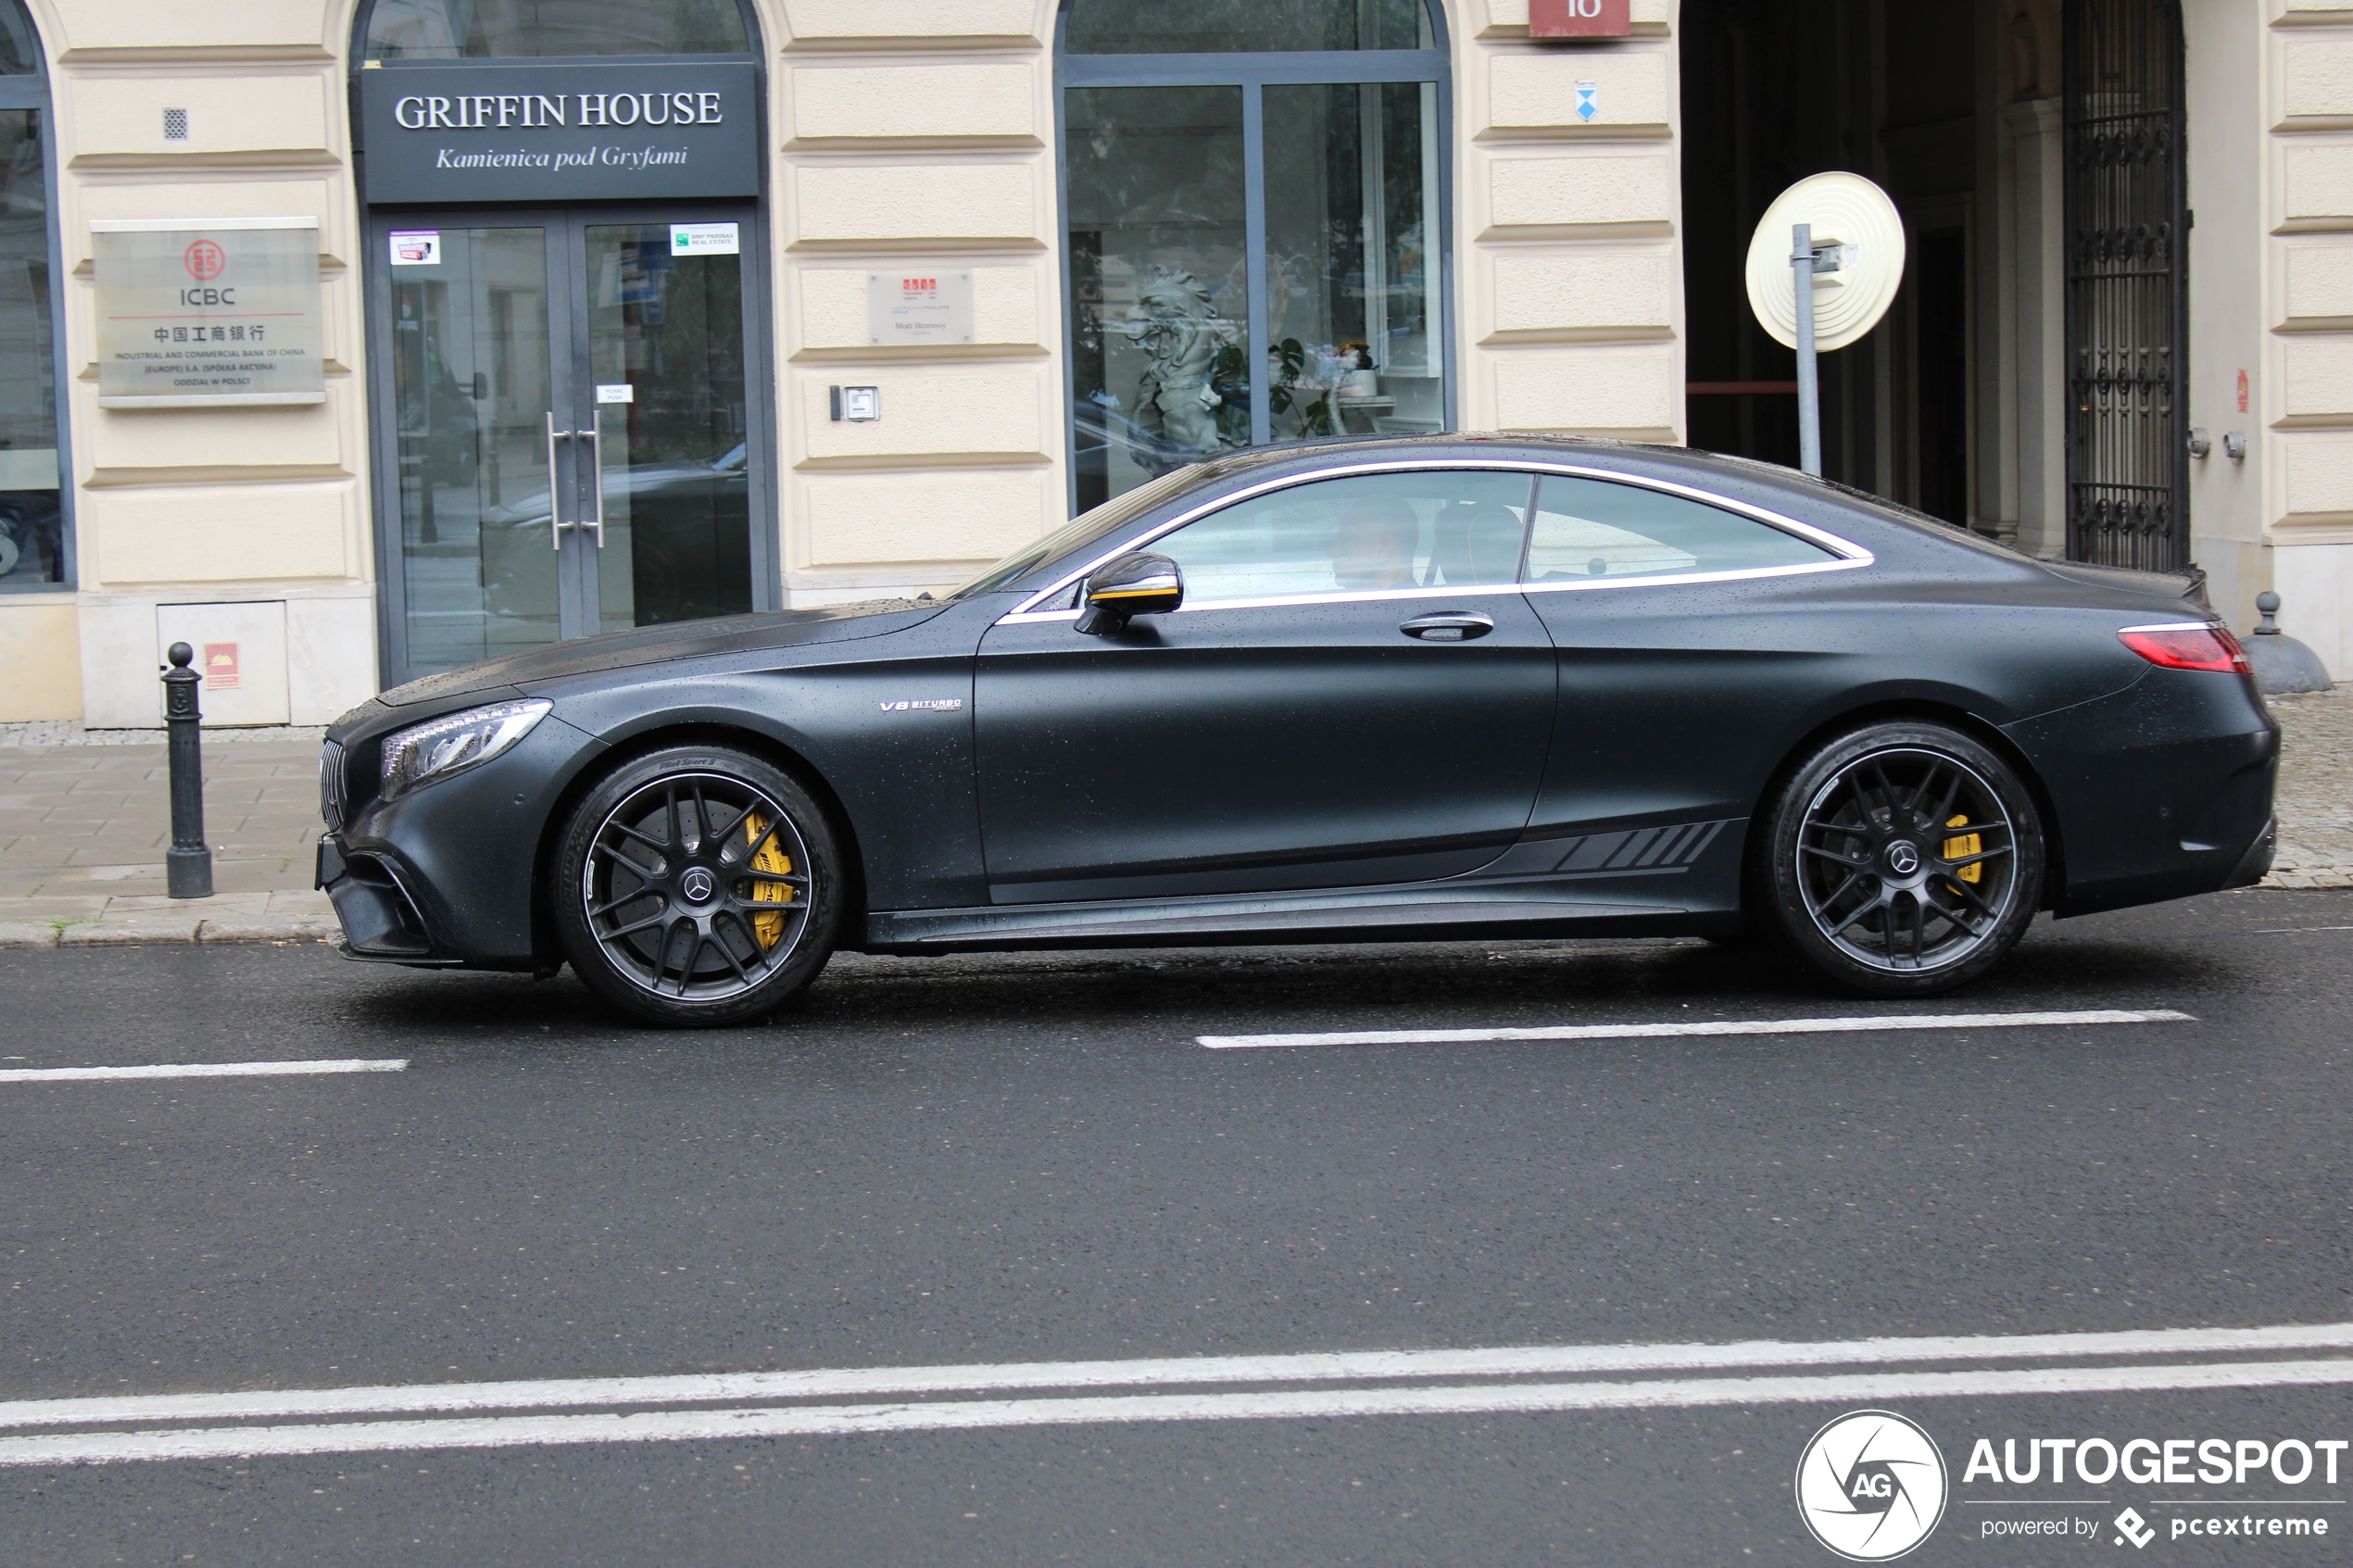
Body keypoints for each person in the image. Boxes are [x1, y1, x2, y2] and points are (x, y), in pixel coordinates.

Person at [1330, 498, 1419, 591]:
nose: (1330, 551)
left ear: (1383, 550)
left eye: (1345, 541)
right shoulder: (1419, 604)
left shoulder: (1394, 605)